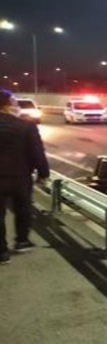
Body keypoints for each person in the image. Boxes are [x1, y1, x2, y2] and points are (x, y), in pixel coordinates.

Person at [0, 90, 50, 265]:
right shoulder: (26, 126)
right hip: (20, 176)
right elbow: (37, 153)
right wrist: (43, 173)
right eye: (13, 102)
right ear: (7, 105)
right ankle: (22, 241)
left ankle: (2, 252)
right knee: (23, 209)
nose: (16, 105)